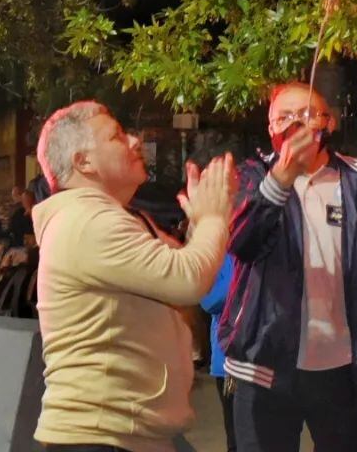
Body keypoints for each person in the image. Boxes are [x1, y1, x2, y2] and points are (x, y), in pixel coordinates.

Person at [32, 100, 232, 452]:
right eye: (116, 136)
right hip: (103, 435)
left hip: (130, 431)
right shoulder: (90, 222)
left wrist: (200, 226)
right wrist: (215, 217)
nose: (135, 141)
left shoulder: (107, 218)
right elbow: (187, 280)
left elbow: (174, 271)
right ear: (83, 161)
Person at [221, 82, 357, 452]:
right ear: (270, 128)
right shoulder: (251, 178)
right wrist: (281, 180)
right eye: (283, 116)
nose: (294, 123)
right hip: (264, 369)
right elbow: (242, 242)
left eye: (305, 114)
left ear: (329, 123)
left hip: (345, 370)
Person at [201, 255, 238, 452]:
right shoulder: (220, 257)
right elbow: (209, 301)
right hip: (228, 363)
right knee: (236, 438)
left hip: (267, 361)